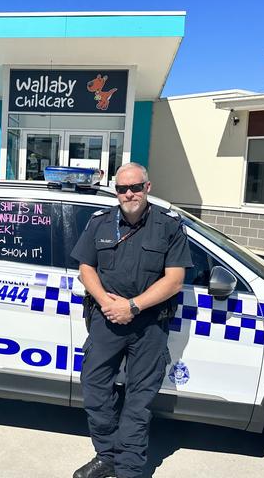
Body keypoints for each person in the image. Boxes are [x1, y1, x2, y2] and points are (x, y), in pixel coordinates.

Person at [71, 162, 192, 478]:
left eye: (135, 187)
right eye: (123, 188)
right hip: (106, 320)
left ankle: (129, 469)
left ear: (147, 188)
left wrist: (133, 307)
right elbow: (86, 268)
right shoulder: (99, 223)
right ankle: (107, 455)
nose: (129, 193)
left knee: (138, 403)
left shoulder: (168, 226)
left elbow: (175, 280)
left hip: (149, 324)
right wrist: (105, 302)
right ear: (116, 191)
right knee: (95, 389)